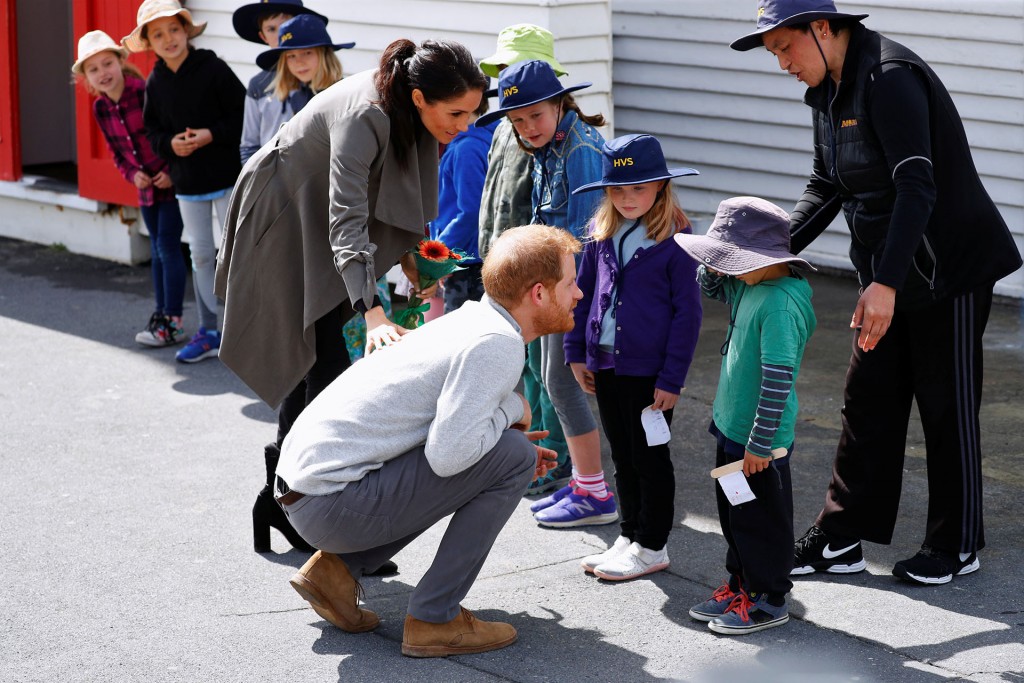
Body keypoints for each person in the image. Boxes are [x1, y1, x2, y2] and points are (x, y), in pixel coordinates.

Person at [731, 0, 1022, 585]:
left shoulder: (890, 79)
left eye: (784, 47)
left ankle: (957, 544)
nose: (782, 62)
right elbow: (827, 182)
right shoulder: (828, 90)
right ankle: (841, 538)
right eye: (773, 53)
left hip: (950, 271)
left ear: (821, 27)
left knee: (947, 407)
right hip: (888, 270)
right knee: (868, 401)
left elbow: (917, 186)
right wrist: (767, 251)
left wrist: (884, 284)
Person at [214, 39, 487, 555]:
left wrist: (411, 254)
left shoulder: (414, 111)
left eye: (474, 112)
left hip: (322, 220)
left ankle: (280, 501)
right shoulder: (365, 114)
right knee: (323, 362)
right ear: (419, 97)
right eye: (456, 112)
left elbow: (402, 195)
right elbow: (347, 222)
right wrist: (374, 310)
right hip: (284, 214)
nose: (465, 125)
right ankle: (303, 508)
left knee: (318, 360)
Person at [275, 224, 576, 657]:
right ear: (539, 294)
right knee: (511, 455)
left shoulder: (474, 319)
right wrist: (515, 412)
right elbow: (449, 456)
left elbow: (443, 442)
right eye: (570, 283)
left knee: (510, 452)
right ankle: (435, 618)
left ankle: (335, 574)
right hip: (327, 504)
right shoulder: (497, 343)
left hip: (307, 492)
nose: (579, 294)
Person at [476, 59, 615, 528]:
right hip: (555, 282)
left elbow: (584, 241)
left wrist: (573, 306)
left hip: (575, 287)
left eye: (535, 115)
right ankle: (582, 480)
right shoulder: (546, 147)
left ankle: (593, 489)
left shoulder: (579, 150)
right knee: (545, 373)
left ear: (560, 103)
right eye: (516, 120)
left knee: (561, 380)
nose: (526, 128)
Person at [676, 197, 817, 635]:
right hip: (733, 425)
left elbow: (778, 379)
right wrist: (714, 262)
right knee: (736, 516)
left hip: (761, 440)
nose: (728, 271)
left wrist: (760, 443)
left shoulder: (779, 304)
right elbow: (712, 286)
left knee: (763, 523)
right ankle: (742, 585)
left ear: (763, 259)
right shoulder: (750, 282)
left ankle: (769, 598)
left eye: (732, 262)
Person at [564, 134, 702, 580]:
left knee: (650, 458)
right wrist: (576, 351)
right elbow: (581, 295)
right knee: (622, 454)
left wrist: (672, 378)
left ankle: (653, 544)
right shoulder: (602, 235)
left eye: (638, 188)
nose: (627, 199)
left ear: (660, 186)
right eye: (618, 190)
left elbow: (688, 315)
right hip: (605, 364)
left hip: (650, 373)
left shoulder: (678, 241)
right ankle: (629, 534)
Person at [123, 0, 245, 364]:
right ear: (148, 43)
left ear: (187, 32)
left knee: (236, 253)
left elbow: (241, 116)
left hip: (227, 177)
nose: (168, 39)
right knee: (202, 254)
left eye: (174, 30)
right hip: (188, 183)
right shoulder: (155, 82)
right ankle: (209, 330)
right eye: (158, 34)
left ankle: (242, 329)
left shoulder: (213, 68)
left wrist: (210, 134)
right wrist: (170, 144)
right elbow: (153, 131)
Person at [477, 23, 571, 496]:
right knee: (526, 370)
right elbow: (492, 198)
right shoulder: (506, 128)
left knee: (549, 374)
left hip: (533, 274)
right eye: (502, 70)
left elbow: (547, 219)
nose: (507, 77)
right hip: (503, 263)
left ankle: (557, 456)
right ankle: (534, 449)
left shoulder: (560, 145)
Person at [72, 30, 187, 349]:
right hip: (146, 188)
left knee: (167, 245)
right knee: (156, 249)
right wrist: (133, 174)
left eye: (107, 63)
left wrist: (169, 170)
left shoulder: (144, 92)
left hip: (171, 182)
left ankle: (173, 321)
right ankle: (161, 315)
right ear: (86, 78)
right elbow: (117, 153)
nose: (102, 73)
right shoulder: (101, 109)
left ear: (121, 61)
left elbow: (170, 133)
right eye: (93, 70)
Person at [232, 0, 328, 165]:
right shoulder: (258, 85)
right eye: (271, 29)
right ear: (262, 35)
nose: (281, 35)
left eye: (287, 26)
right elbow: (249, 147)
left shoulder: (322, 80)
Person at [428, 97, 496, 313]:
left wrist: (440, 254)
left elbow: (471, 211)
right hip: (471, 257)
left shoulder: (466, 148)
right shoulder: (479, 139)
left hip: (467, 262)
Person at [255, 14, 353, 116]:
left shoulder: (344, 97)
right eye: (291, 56)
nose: (299, 62)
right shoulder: (297, 98)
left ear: (325, 55)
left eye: (307, 53)